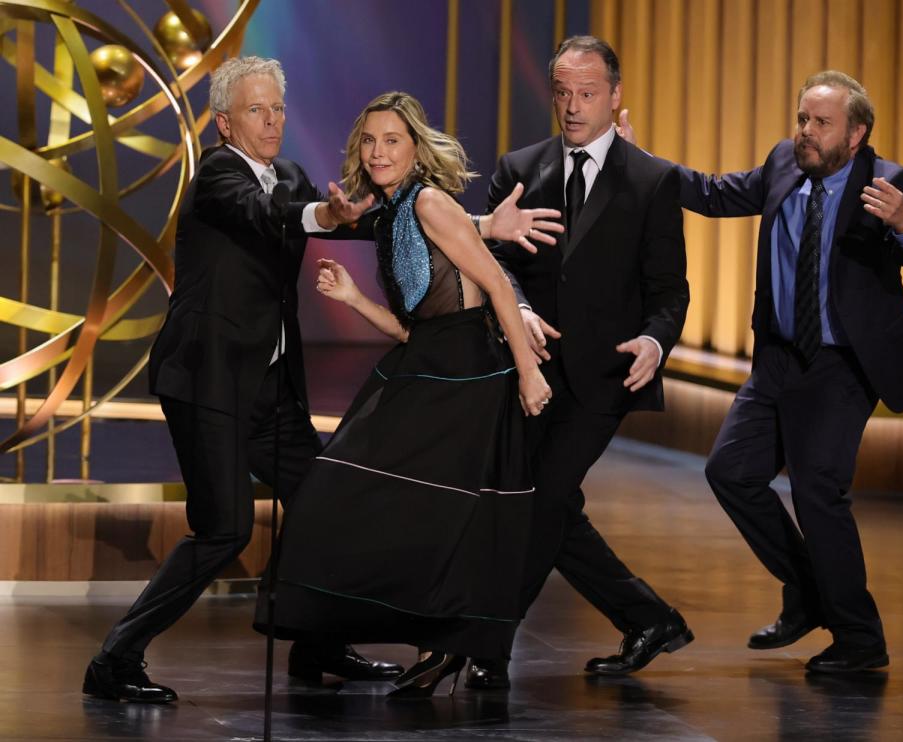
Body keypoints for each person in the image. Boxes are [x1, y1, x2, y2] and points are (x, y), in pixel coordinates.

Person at [82, 58, 559, 704]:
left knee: (326, 500)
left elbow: (386, 219)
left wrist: (479, 228)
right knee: (224, 530)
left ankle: (319, 643)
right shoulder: (219, 177)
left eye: (278, 108)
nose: (274, 120)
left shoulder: (292, 177)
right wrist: (324, 219)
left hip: (268, 388)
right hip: (209, 380)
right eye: (258, 110)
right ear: (225, 122)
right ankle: (116, 658)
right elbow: (274, 211)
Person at [255, 90, 553, 698]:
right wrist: (354, 301)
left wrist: (528, 370)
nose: (378, 151)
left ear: (415, 148)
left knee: (435, 514)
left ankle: (442, 645)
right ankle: (423, 645)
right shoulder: (388, 214)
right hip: (421, 362)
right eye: (369, 140)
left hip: (466, 373)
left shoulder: (430, 202)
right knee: (387, 505)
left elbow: (495, 281)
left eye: (392, 140)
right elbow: (412, 325)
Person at [669, 70, 903, 672]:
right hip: (779, 356)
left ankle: (861, 640)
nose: (806, 133)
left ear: (856, 132)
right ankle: (807, 594)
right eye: (802, 119)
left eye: (821, 123)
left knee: (818, 491)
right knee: (731, 473)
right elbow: (715, 193)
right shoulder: (782, 165)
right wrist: (635, 161)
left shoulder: (886, 180)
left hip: (842, 363)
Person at [467, 35, 693, 690]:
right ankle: (648, 617)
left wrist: (655, 341)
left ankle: (486, 645)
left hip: (604, 376)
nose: (572, 106)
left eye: (587, 93)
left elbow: (669, 290)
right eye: (563, 92)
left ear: (615, 96)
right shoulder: (520, 165)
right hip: (528, 367)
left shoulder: (652, 179)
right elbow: (498, 260)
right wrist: (515, 305)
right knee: (548, 504)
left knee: (540, 503)